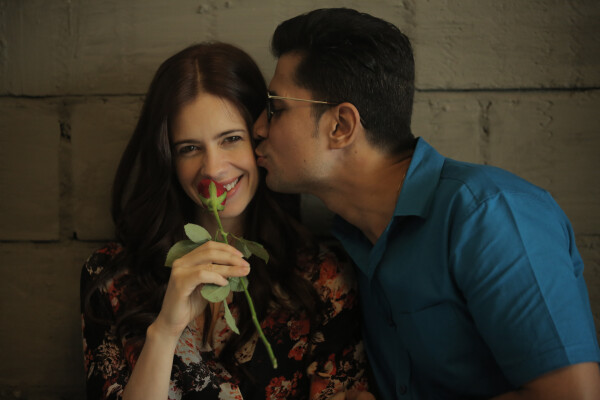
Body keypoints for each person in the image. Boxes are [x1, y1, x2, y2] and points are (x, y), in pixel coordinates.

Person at [252, 7, 600, 400]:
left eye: (276, 108)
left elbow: (572, 396)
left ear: (340, 126)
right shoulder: (352, 241)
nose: (259, 128)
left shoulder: (489, 215)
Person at [80, 42, 372, 400]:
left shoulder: (323, 279)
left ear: (261, 136)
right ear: (168, 158)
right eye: (189, 148)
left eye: (231, 139)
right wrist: (165, 331)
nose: (214, 169)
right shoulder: (110, 278)